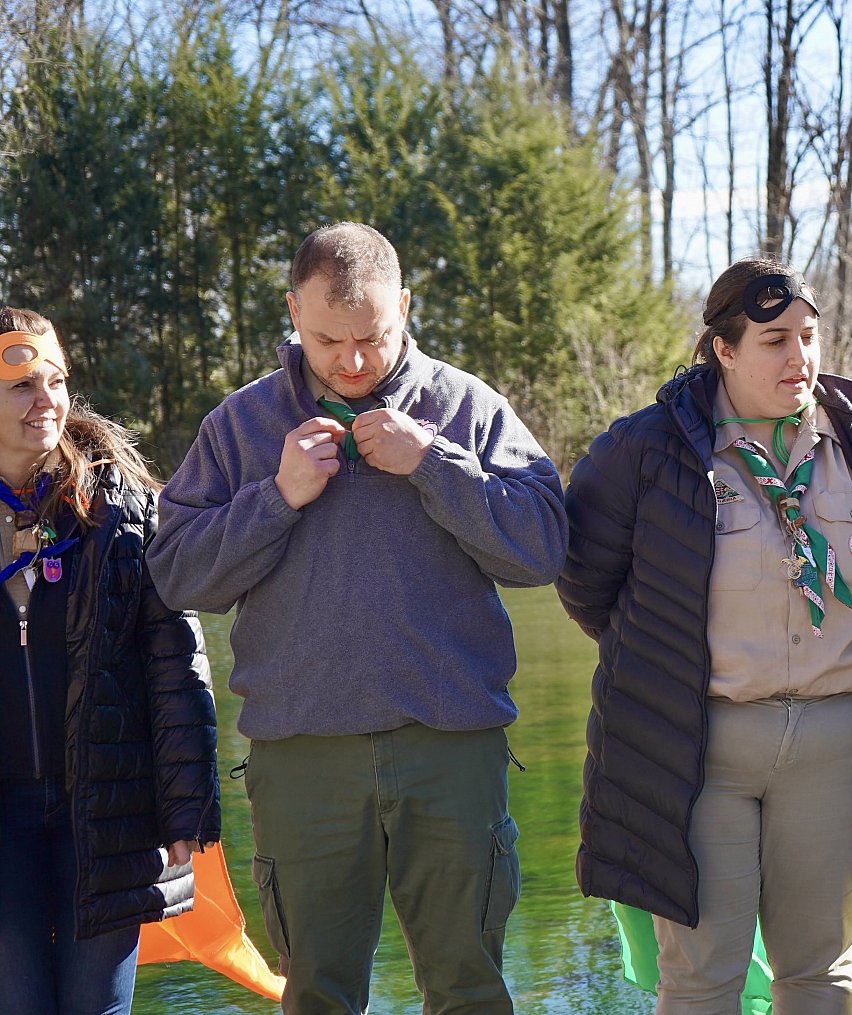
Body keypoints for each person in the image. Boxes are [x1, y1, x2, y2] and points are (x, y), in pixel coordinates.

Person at [146, 222, 567, 1014]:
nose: (351, 360)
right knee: (318, 995)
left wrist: (434, 463)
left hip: (452, 751)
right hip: (301, 761)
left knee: (469, 990)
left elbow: (543, 548)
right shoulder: (238, 426)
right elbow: (175, 575)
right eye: (325, 338)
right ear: (292, 314)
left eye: (372, 336)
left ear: (405, 305)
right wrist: (276, 498)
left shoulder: (467, 407)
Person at [557, 256, 852, 1013]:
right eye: (775, 339)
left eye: (809, 335)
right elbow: (587, 584)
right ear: (725, 348)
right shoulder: (646, 451)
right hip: (700, 746)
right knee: (703, 974)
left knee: (819, 971)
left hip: (841, 745)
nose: (800, 356)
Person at [0, 308, 220, 1015]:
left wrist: (187, 804)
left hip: (109, 806)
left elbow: (174, 658)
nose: (47, 401)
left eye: (56, 380)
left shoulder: (119, 503)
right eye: (22, 385)